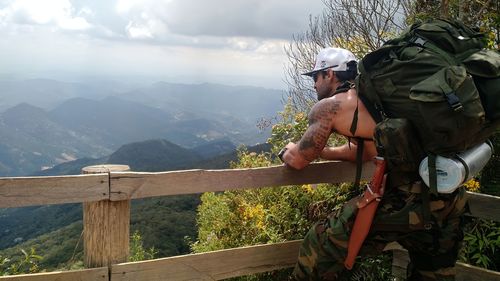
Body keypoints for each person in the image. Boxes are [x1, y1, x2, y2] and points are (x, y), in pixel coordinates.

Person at [279, 47, 467, 281]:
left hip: (409, 199)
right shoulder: (376, 100)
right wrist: (324, 152)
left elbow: (297, 160)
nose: (313, 84)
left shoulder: (330, 107)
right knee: (433, 271)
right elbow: (367, 151)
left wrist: (287, 150)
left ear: (330, 74)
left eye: (316, 76)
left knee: (322, 241)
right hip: (449, 194)